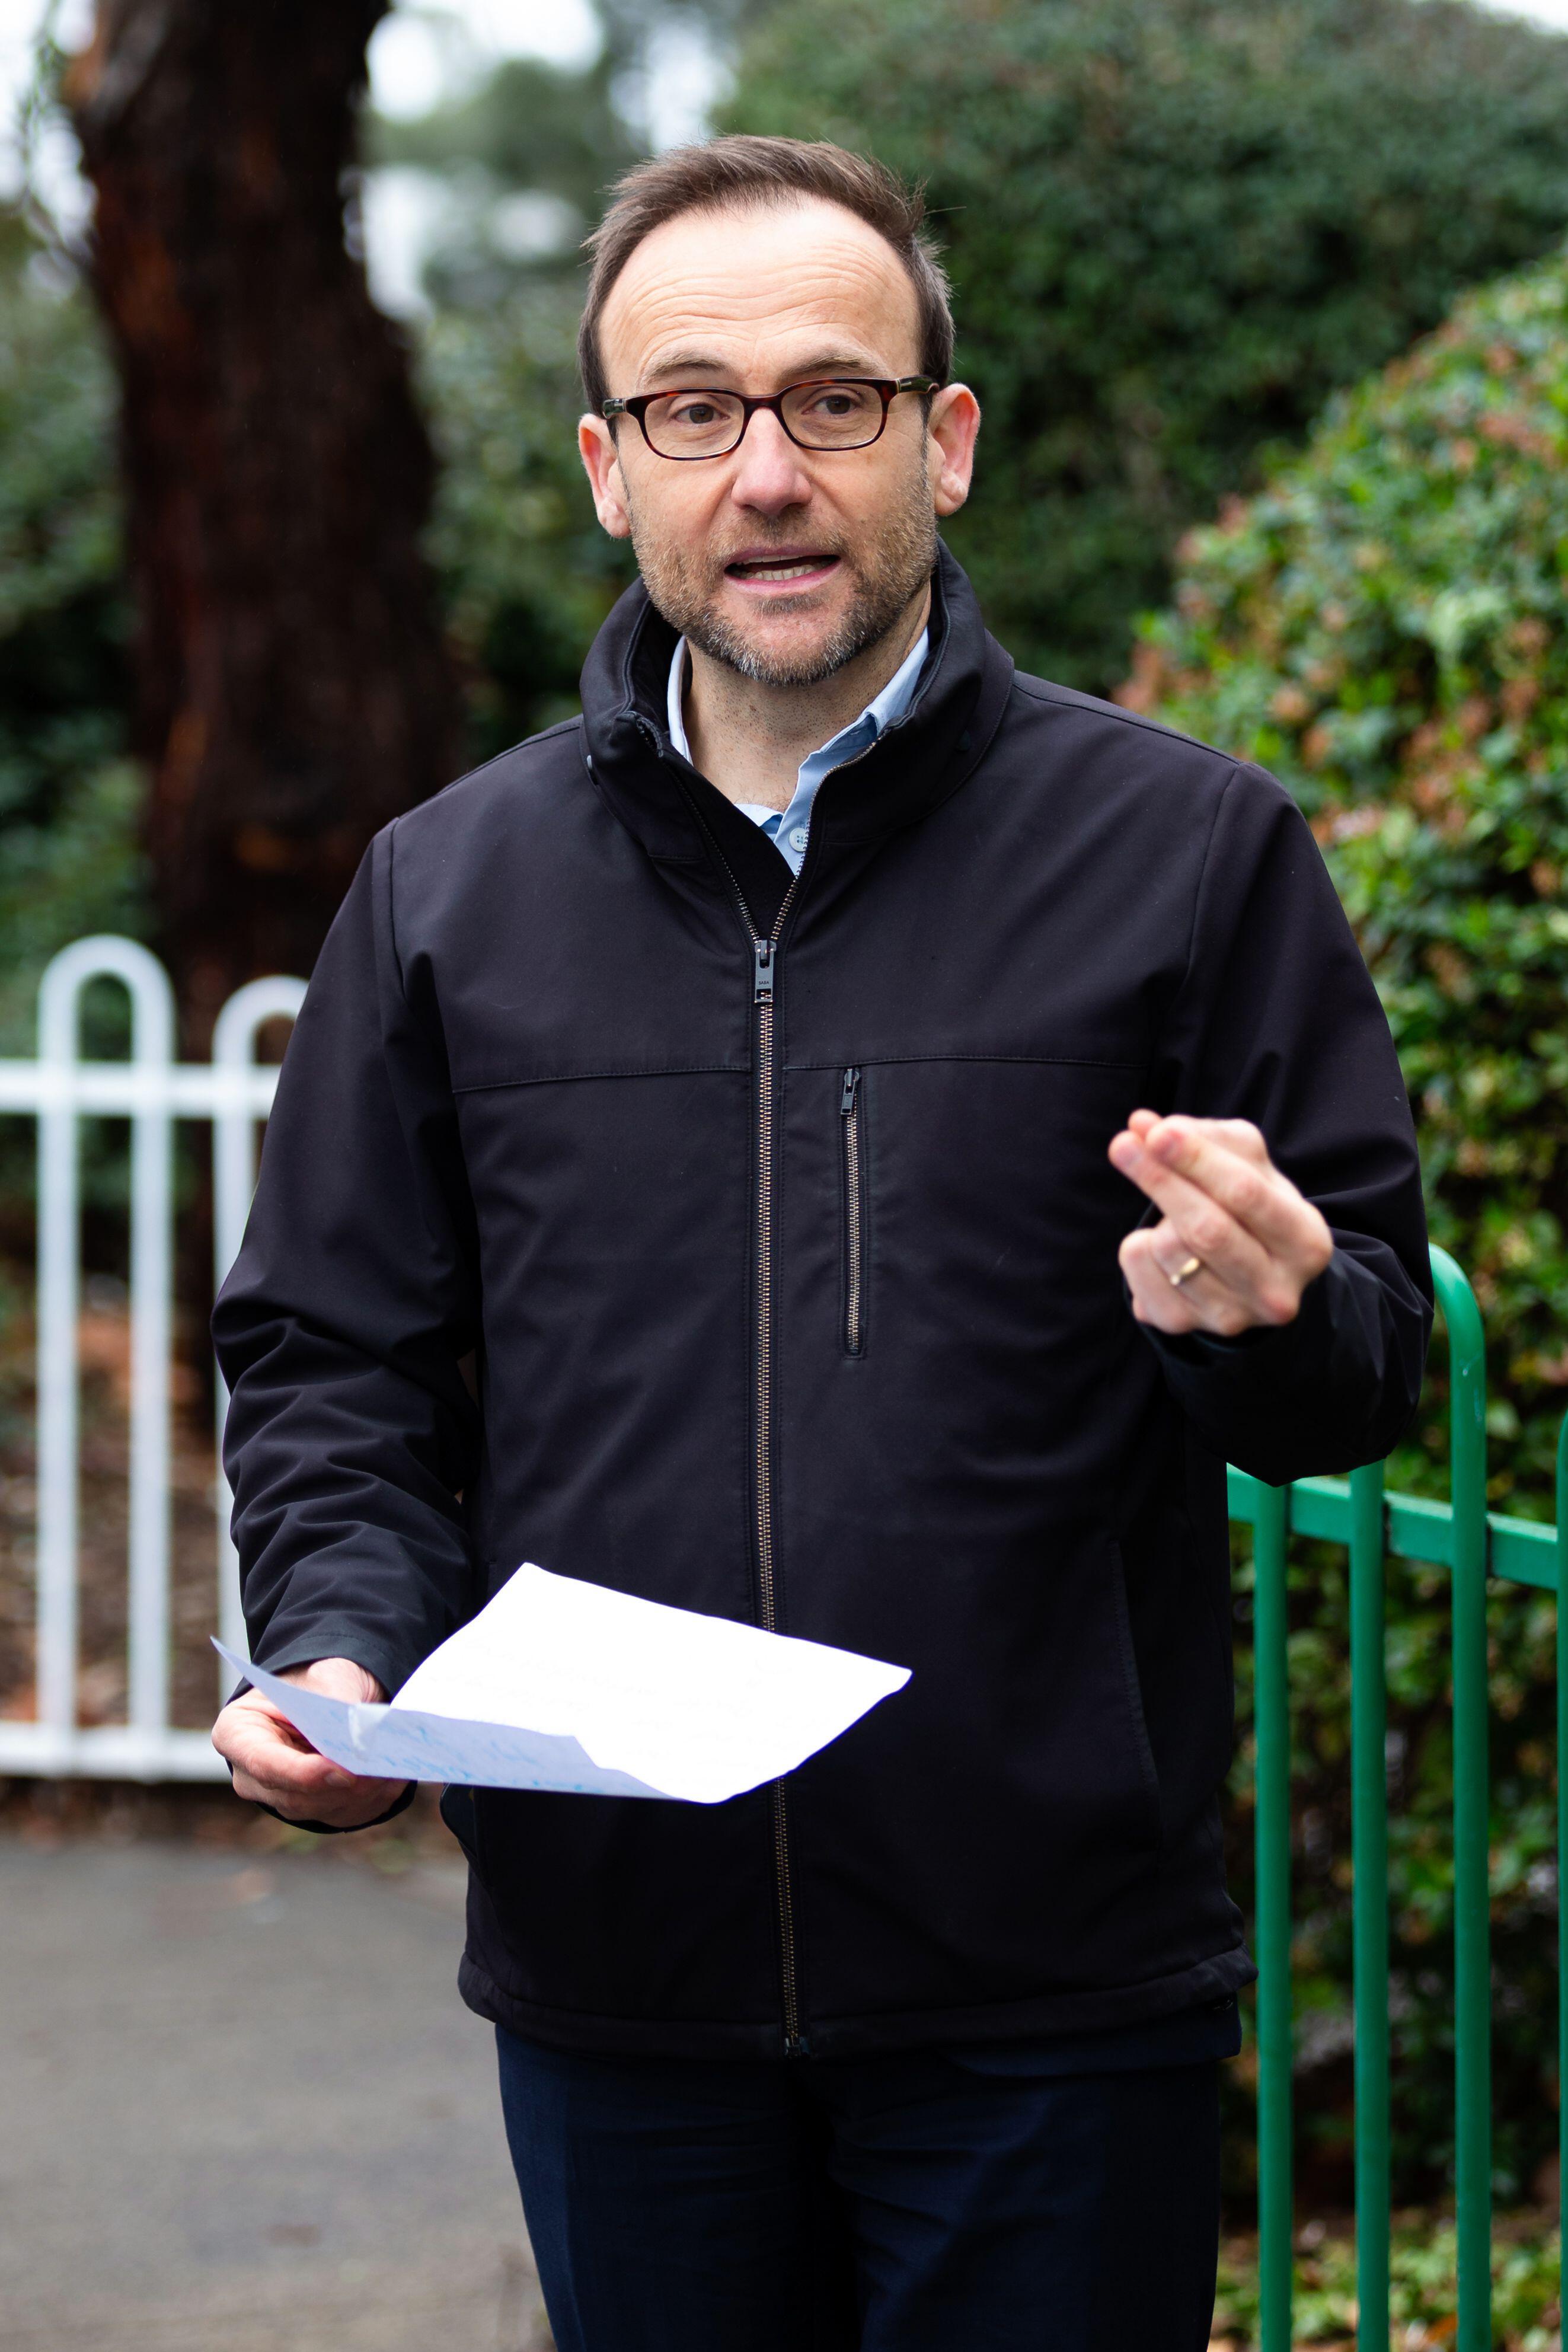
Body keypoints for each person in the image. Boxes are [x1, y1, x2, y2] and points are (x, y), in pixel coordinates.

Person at [211, 135, 1430, 2351]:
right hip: (622, 1979)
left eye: (833, 401)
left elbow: (1359, 1360)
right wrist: (348, 1650)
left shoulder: (1187, 855)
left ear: (943, 446)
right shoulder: (444, 892)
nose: (765, 471)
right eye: (694, 409)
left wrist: (1266, 1319)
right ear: (608, 469)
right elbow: (335, 1358)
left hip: (1049, 1989)